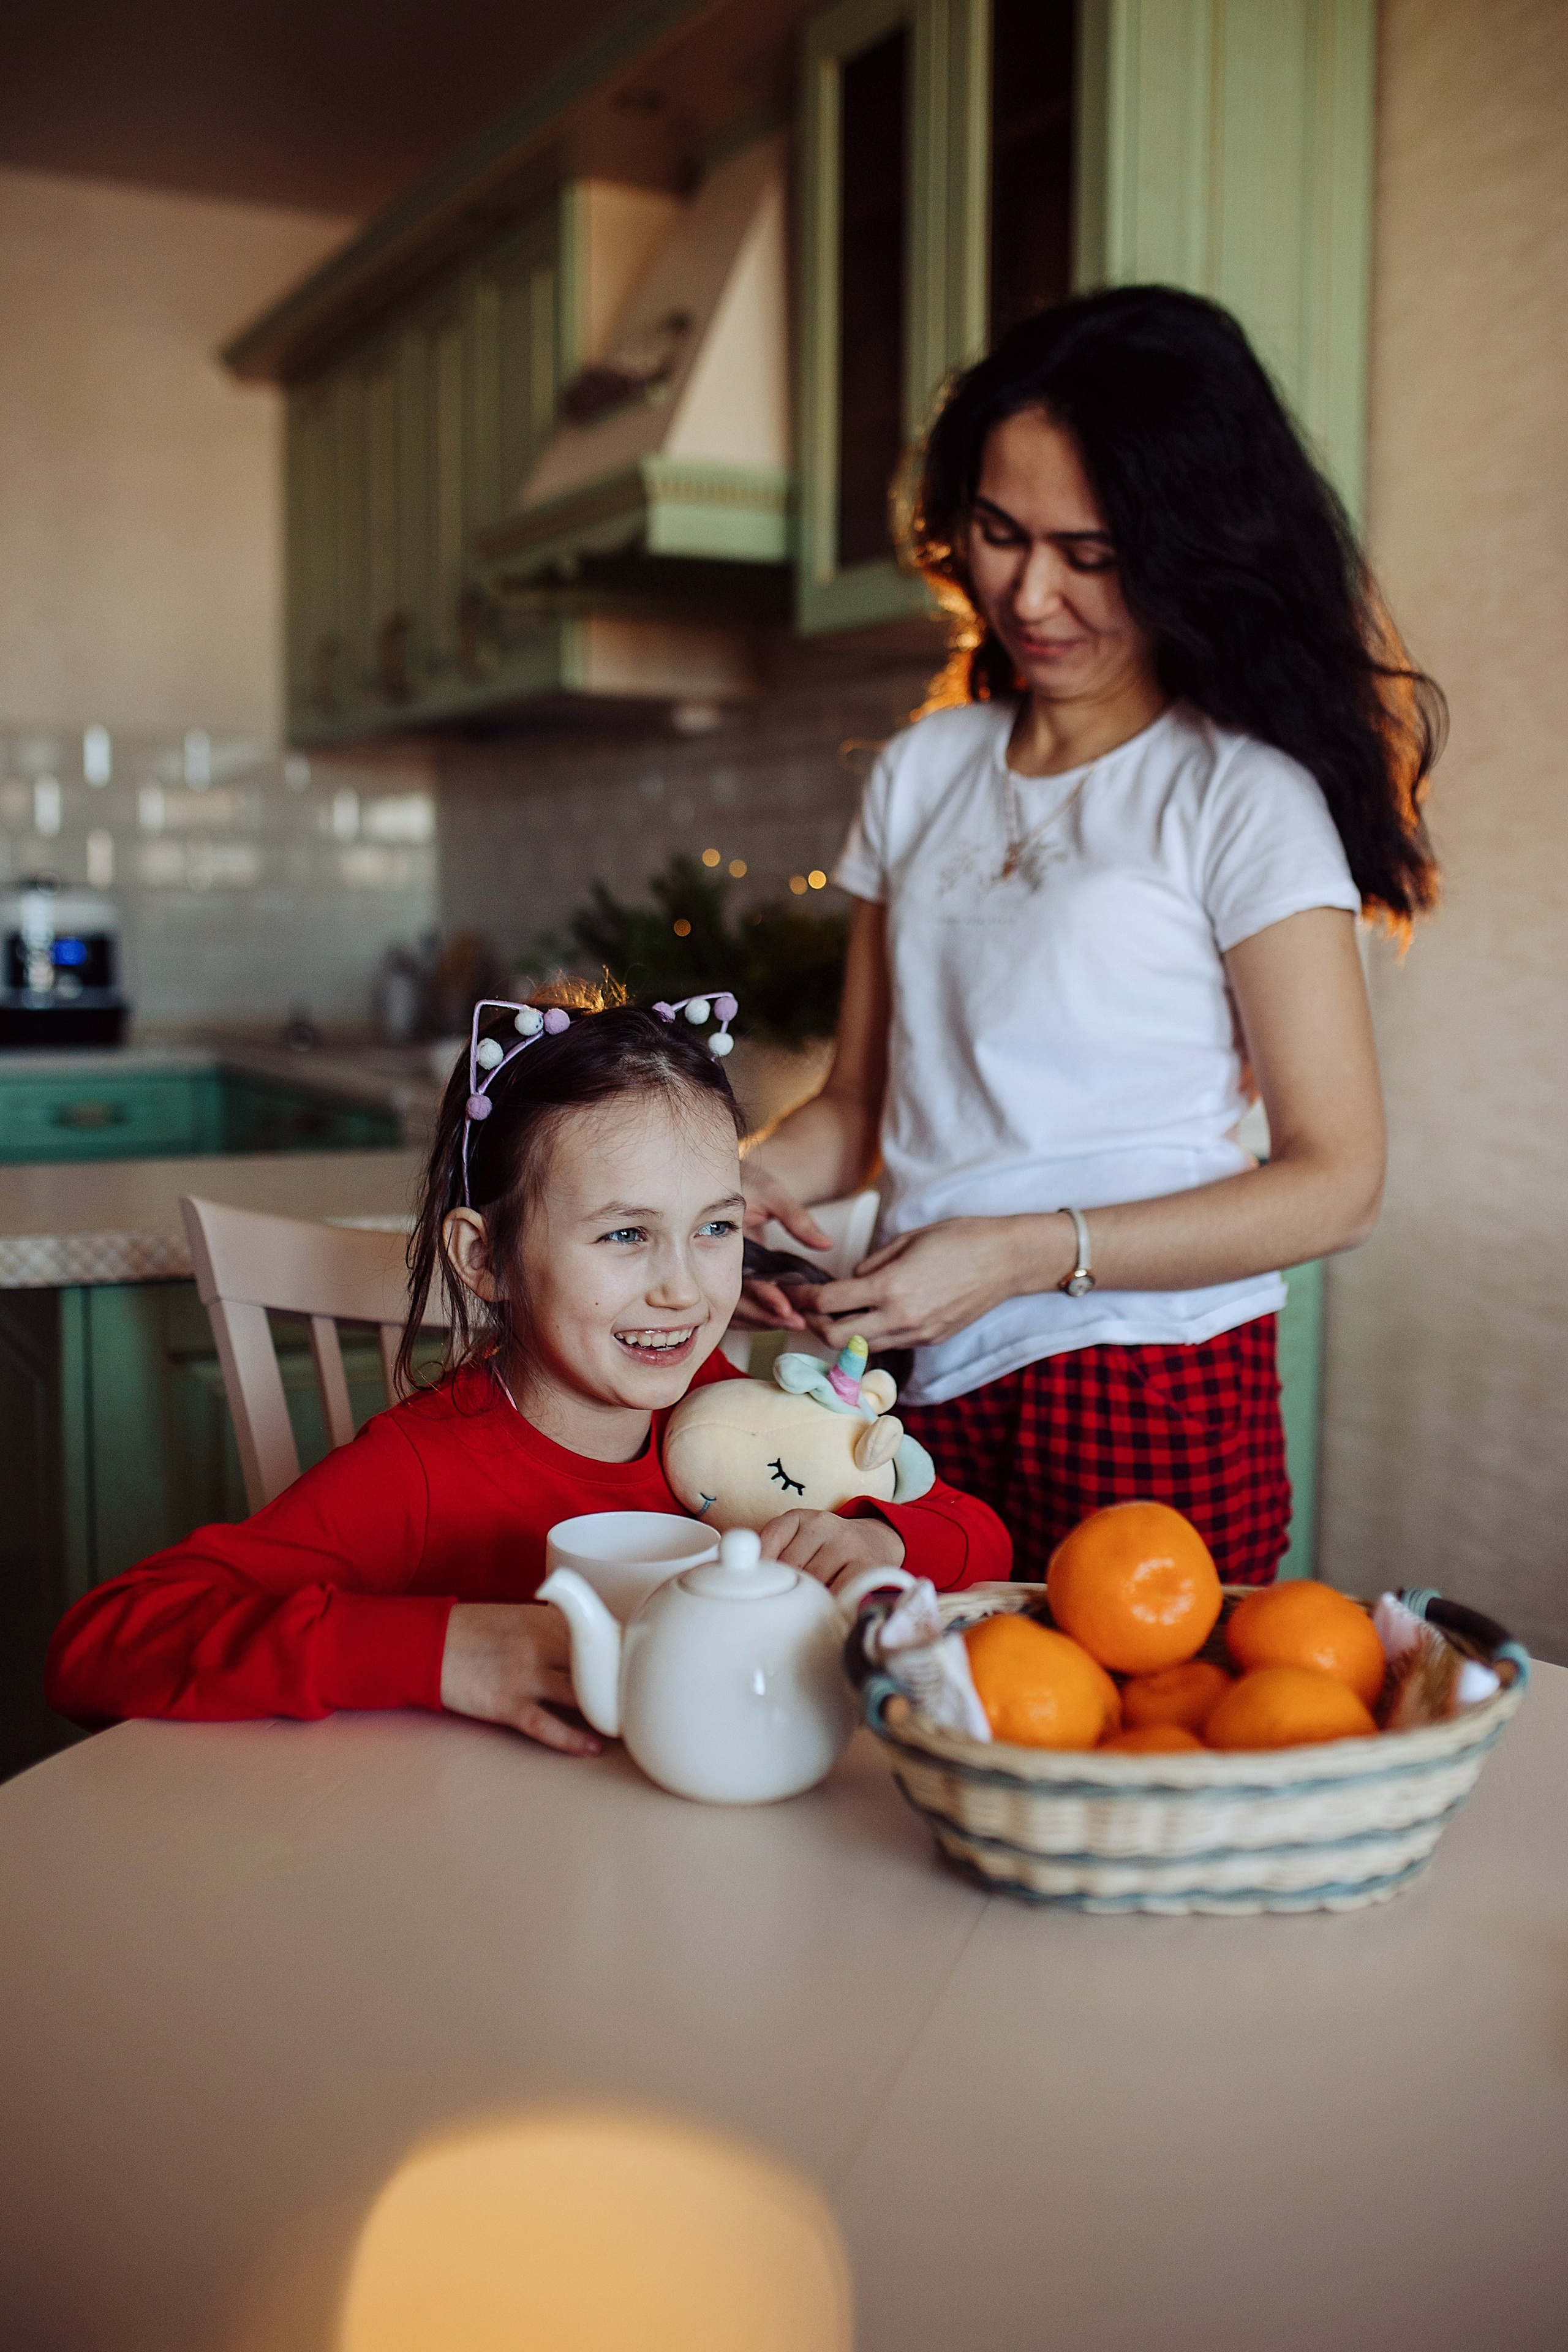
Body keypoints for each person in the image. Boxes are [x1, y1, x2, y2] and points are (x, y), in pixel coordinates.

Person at [739, 285, 1444, 1585]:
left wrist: (1017, 1254)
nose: (1030, 590)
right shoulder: (924, 769)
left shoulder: (1238, 796)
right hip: (917, 1368)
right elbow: (857, 1101)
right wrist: (742, 1202)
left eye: (1091, 552)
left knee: (1130, 1755)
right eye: (999, 533)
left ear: (1182, 549)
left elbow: (1335, 1179)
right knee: (909, 1734)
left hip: (1147, 1376)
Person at [46, 994, 1009, 1755]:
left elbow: (984, 1537)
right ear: (485, 1260)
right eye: (626, 1235)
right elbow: (101, 1646)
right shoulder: (425, 1472)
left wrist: (882, 1543)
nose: (682, 1288)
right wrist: (451, 1651)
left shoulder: (737, 1418)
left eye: (715, 1228)